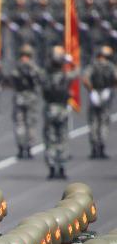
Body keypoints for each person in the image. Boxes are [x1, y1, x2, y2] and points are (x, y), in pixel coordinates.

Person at [41, 45, 78, 180]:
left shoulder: (46, 76)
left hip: (50, 108)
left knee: (50, 139)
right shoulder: (66, 76)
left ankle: (51, 168)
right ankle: (62, 167)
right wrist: (70, 61)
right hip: (62, 109)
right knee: (62, 138)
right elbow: (77, 71)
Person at [83, 45, 117, 159]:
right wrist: (110, 88)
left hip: (95, 94)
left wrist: (91, 90)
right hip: (105, 95)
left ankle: (94, 148)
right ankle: (101, 148)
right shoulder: (111, 66)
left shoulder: (92, 66)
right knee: (103, 122)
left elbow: (85, 79)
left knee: (93, 122)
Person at [10, 44, 40, 159]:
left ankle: (21, 147)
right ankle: (29, 147)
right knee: (30, 123)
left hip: (19, 97)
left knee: (20, 124)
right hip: (31, 97)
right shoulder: (34, 67)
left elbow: (12, 79)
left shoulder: (17, 67)